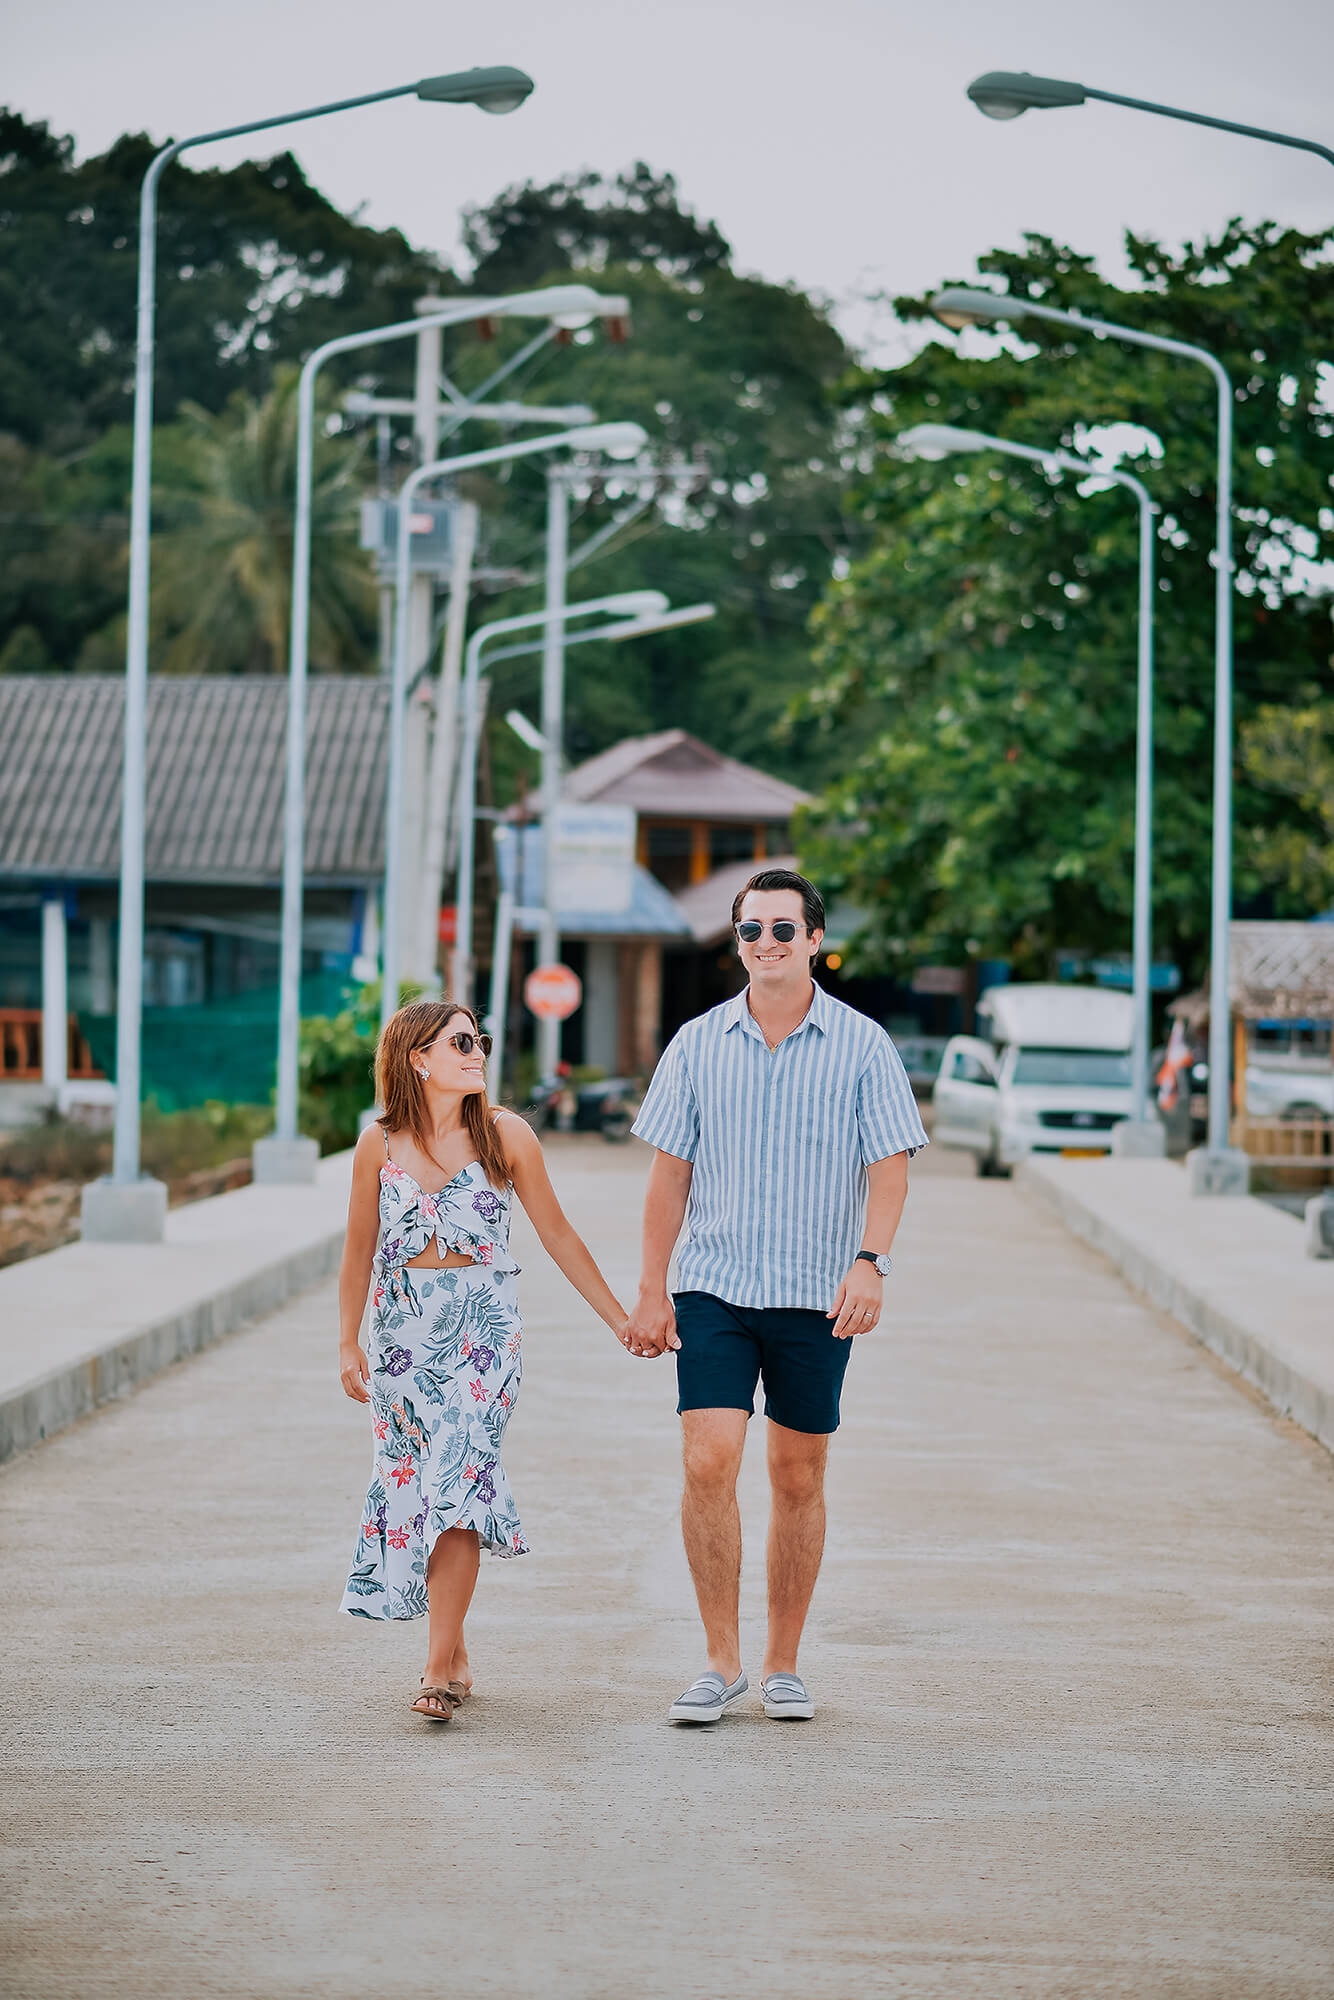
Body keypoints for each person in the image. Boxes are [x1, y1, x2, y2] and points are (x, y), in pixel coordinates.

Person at [625, 868, 928, 1724]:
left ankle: (783, 1663)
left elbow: (890, 1166)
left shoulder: (864, 1045)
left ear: (815, 942)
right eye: (750, 931)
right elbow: (668, 1177)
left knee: (799, 1472)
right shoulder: (695, 1043)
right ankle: (719, 1662)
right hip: (713, 1288)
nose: (765, 944)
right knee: (707, 1458)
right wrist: (653, 1290)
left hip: (815, 1295)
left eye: (782, 930)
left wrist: (871, 1262)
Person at [338, 998, 639, 1723]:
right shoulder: (377, 1145)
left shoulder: (507, 1135)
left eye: (481, 1042)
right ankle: (456, 1646)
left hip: (482, 1336)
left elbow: (560, 1235)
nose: (478, 1053)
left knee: (459, 1482)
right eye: (462, 1042)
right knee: (419, 1493)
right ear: (419, 1058)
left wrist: (621, 1320)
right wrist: (348, 1342)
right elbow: (357, 1252)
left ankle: (437, 1670)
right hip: (402, 1338)